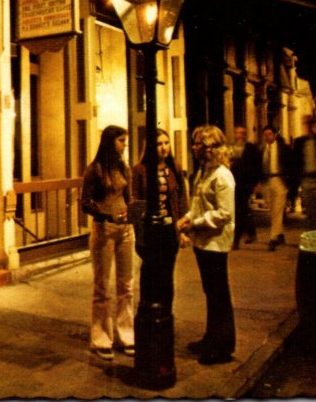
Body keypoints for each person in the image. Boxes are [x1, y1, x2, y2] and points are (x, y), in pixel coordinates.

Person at [177, 125, 236, 365]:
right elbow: (198, 202)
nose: (195, 147)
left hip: (215, 242)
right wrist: (188, 217)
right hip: (203, 241)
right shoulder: (204, 172)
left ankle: (222, 346)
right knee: (211, 293)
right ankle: (212, 338)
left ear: (212, 147)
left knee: (218, 294)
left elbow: (224, 214)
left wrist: (195, 224)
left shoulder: (222, 175)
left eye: (200, 144)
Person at [80, 125, 135, 361]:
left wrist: (130, 213)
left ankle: (127, 334)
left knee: (127, 285)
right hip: (104, 229)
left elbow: (128, 196)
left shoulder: (123, 167)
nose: (124, 145)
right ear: (110, 142)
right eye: (121, 141)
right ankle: (101, 337)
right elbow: (85, 202)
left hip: (125, 229)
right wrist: (106, 216)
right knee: (102, 286)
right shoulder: (95, 170)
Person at [132, 128, 190, 313]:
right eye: (158, 144)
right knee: (149, 274)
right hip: (150, 231)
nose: (164, 148)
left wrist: (183, 231)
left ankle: (166, 313)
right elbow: (136, 202)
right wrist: (139, 235)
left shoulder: (175, 168)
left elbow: (182, 200)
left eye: (166, 143)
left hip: (169, 230)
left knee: (167, 275)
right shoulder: (140, 170)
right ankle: (148, 315)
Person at [228, 126, 262, 248]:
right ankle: (251, 232)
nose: (240, 135)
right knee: (243, 209)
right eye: (238, 132)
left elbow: (257, 166)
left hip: (246, 183)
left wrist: (257, 183)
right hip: (233, 182)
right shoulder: (230, 148)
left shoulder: (251, 149)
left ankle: (236, 239)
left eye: (242, 133)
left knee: (240, 209)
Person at [260, 126, 291, 251]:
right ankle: (280, 234)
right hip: (267, 181)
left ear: (274, 135)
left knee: (277, 210)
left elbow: (290, 165)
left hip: (279, 180)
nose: (267, 137)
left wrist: (288, 184)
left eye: (269, 134)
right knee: (273, 210)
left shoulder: (283, 148)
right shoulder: (262, 149)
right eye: (265, 135)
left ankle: (273, 238)